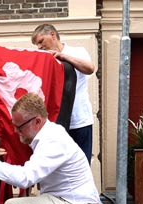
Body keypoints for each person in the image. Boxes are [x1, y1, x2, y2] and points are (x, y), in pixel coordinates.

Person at [31, 24, 96, 163]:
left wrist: (63, 57)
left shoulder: (77, 51)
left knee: (82, 163)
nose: (40, 47)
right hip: (55, 123)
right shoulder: (44, 58)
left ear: (52, 34)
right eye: (37, 44)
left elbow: (90, 68)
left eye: (41, 41)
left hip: (79, 121)